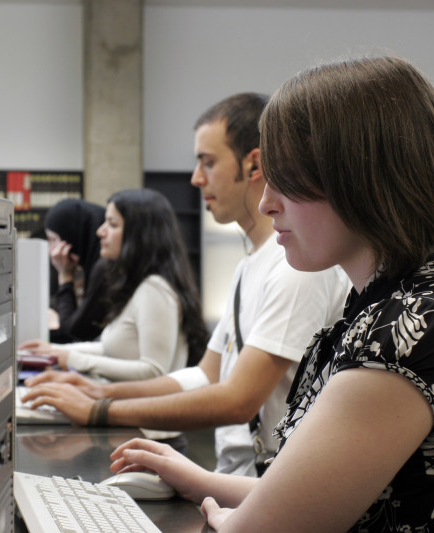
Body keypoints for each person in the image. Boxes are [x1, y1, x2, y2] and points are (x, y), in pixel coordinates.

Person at [111, 55, 434, 532]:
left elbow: (266, 527)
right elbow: (316, 492)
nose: (268, 203)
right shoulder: (407, 302)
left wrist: (221, 517)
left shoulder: (410, 330)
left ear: (359, 179)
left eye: (287, 181)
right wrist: (195, 479)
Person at [21, 93, 349, 476]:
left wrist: (100, 410)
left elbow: (237, 400)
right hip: (242, 473)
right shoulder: (250, 266)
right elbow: (205, 375)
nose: (196, 178)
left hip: (270, 477)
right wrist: (101, 390)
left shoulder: (294, 265)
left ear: (254, 164)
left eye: (208, 163)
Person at [21, 188, 209, 382]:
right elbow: (109, 348)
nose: (100, 231)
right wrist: (54, 350)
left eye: (112, 224)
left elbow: (154, 370)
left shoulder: (155, 289)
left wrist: (72, 358)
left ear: (138, 234)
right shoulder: (136, 283)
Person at [43, 198, 109, 343]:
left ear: (72, 236)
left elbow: (75, 331)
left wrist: (64, 275)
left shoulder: (105, 268)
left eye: (54, 240)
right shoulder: (92, 263)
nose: (52, 250)